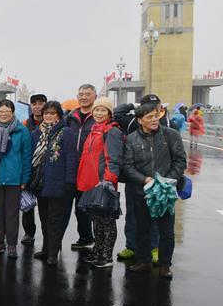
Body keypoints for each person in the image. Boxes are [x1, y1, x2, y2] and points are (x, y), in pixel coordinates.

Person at [123, 102, 187, 279]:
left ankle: (165, 265)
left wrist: (166, 180)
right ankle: (143, 261)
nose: (153, 120)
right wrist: (145, 179)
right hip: (141, 191)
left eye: (155, 115)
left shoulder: (171, 135)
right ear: (139, 120)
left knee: (166, 231)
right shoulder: (131, 139)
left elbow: (180, 161)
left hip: (165, 192)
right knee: (141, 228)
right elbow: (127, 166)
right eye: (149, 117)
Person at [0, 99, 32, 258]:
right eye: (1, 111)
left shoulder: (21, 131)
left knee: (12, 215)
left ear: (12, 113)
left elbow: (26, 156)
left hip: (13, 179)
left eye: (7, 112)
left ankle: (11, 245)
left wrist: (25, 179)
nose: (4, 114)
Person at [76, 98, 124, 268]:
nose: (98, 113)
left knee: (107, 221)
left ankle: (106, 255)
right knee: (97, 219)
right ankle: (98, 249)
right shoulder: (95, 129)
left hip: (104, 182)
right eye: (96, 110)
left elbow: (114, 158)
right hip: (91, 182)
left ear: (110, 113)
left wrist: (109, 180)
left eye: (103, 110)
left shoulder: (111, 131)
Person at [30, 101, 79, 266]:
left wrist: (70, 181)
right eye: (46, 113)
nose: (48, 116)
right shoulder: (37, 132)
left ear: (59, 115)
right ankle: (46, 248)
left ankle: (53, 252)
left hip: (59, 185)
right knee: (44, 219)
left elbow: (72, 159)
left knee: (55, 220)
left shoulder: (66, 133)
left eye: (52, 113)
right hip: (42, 184)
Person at [116, 94, 162, 264]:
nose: (152, 113)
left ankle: (155, 248)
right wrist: (131, 104)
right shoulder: (132, 122)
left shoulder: (165, 123)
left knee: (156, 215)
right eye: (147, 108)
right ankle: (132, 246)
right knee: (133, 215)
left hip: (158, 180)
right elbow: (116, 113)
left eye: (155, 107)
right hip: (135, 179)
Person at [66, 83, 97, 251]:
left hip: (91, 170)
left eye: (88, 94)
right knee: (78, 207)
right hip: (72, 167)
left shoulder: (99, 115)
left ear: (95, 97)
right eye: (81, 94)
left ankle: (97, 242)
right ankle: (85, 237)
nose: (84, 97)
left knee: (91, 206)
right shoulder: (71, 117)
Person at [21, 93, 47, 245]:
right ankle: (29, 233)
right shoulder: (25, 124)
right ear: (31, 106)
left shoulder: (52, 121)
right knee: (27, 205)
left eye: (40, 103)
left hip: (45, 172)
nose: (37, 106)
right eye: (34, 104)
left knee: (45, 207)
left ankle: (47, 236)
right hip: (29, 170)